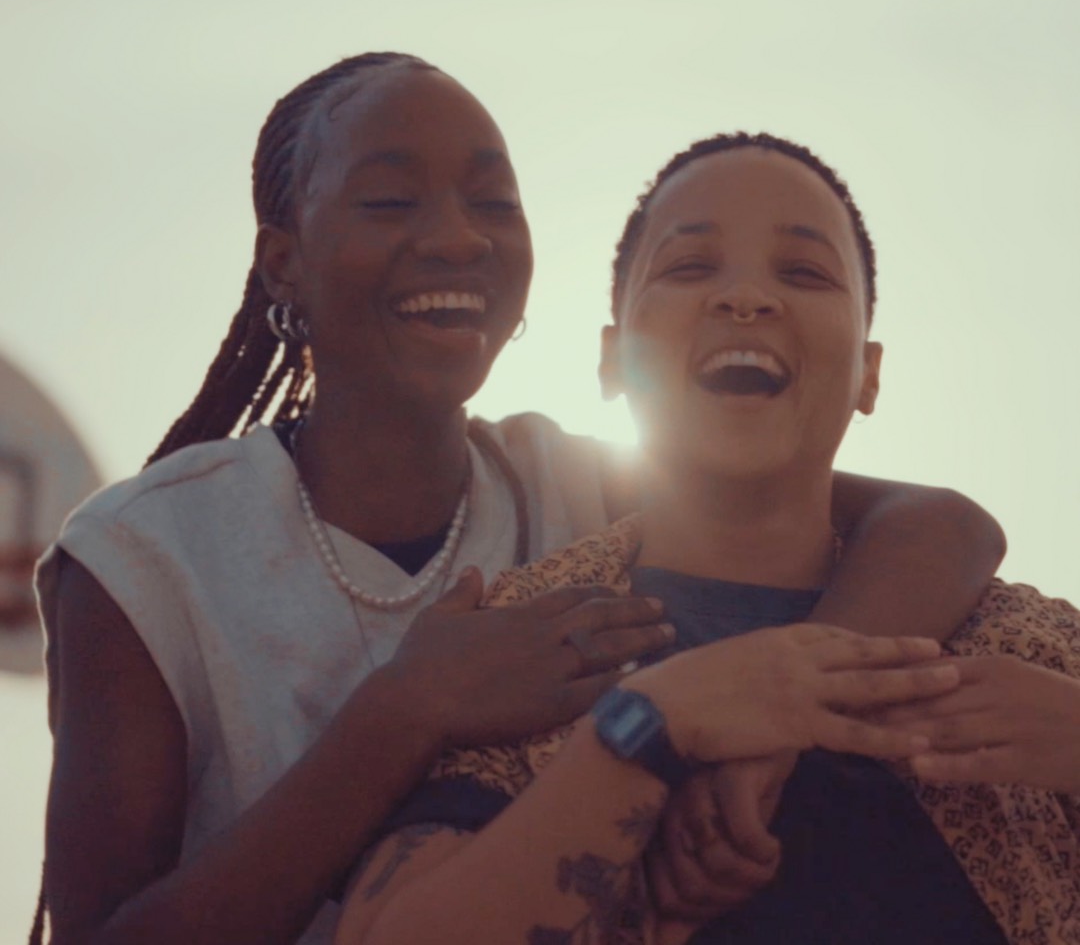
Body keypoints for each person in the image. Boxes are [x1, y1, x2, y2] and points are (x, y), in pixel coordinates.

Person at [35, 57, 1005, 945]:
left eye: (494, 204)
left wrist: (787, 719)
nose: (458, 237)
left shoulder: (578, 483)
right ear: (284, 260)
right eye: (389, 200)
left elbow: (937, 523)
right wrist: (406, 712)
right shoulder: (148, 556)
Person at [335, 132, 1080, 944]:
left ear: (869, 372)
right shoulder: (532, 644)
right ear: (613, 360)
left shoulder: (1027, 648)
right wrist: (650, 729)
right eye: (690, 269)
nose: (747, 298)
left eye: (804, 273)